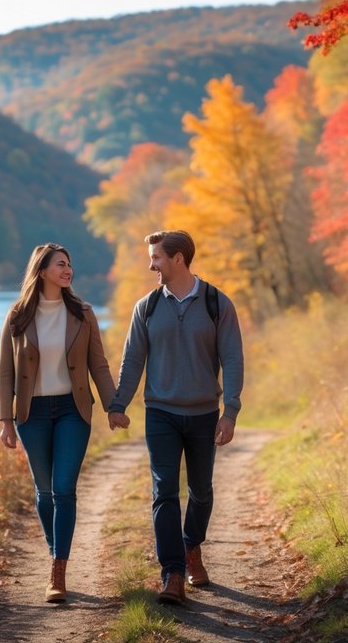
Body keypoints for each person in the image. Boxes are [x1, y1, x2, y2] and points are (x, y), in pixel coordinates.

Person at [107, 229, 243, 606]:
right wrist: (118, 404)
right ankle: (173, 573)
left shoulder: (217, 303)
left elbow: (232, 359)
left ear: (178, 258)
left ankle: (191, 547)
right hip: (161, 414)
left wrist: (230, 411)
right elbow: (132, 359)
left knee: (201, 492)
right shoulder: (147, 307)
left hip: (204, 414)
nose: (151, 264)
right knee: (164, 491)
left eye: (157, 258)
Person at [0, 242, 117, 603]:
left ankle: (57, 571)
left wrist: (114, 405)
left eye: (69, 264)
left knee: (64, 489)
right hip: (31, 414)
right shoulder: (18, 315)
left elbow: (99, 364)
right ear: (43, 270)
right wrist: (5, 419)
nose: (68, 270)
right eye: (61, 264)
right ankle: (55, 550)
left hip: (72, 411)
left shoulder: (82, 312)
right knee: (45, 491)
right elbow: (5, 371)